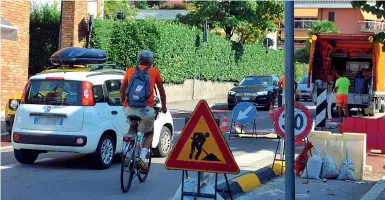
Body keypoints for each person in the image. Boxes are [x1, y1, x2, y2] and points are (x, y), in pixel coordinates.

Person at [120, 50, 167, 173]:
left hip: (129, 107)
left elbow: (122, 88)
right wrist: (164, 107)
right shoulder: (154, 71)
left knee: (132, 126)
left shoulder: (130, 71)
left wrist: (123, 101)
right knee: (149, 132)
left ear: (139, 60)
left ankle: (128, 153)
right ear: (150, 61)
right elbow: (161, 91)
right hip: (145, 109)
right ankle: (142, 157)